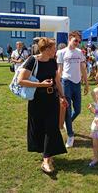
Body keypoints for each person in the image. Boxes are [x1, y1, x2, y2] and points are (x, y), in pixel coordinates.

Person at [18, 37, 68, 173]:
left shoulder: (53, 61)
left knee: (52, 128)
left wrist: (63, 96)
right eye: (53, 48)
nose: (56, 51)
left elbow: (57, 81)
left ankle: (46, 160)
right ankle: (47, 155)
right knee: (40, 128)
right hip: (37, 100)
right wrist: (40, 84)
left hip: (52, 99)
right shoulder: (32, 60)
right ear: (46, 49)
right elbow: (20, 80)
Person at [57, 31, 89, 148]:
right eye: (75, 40)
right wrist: (58, 85)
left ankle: (67, 122)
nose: (77, 43)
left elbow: (83, 68)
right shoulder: (61, 52)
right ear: (70, 39)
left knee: (78, 110)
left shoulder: (80, 52)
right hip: (66, 82)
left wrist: (86, 83)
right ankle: (70, 135)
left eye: (79, 41)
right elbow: (59, 71)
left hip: (77, 83)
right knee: (67, 108)